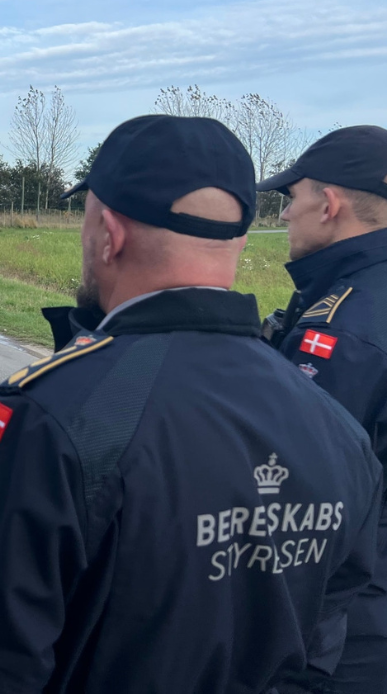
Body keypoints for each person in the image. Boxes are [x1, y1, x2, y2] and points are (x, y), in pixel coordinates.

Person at [0, 115, 384, 693]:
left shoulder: (53, 414)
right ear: (238, 241)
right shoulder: (333, 423)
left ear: (108, 232)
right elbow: (322, 642)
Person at [258, 125, 387, 692]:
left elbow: (304, 503)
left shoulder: (343, 331)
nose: (286, 215)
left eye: (292, 198)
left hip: (349, 631)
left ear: (329, 204)